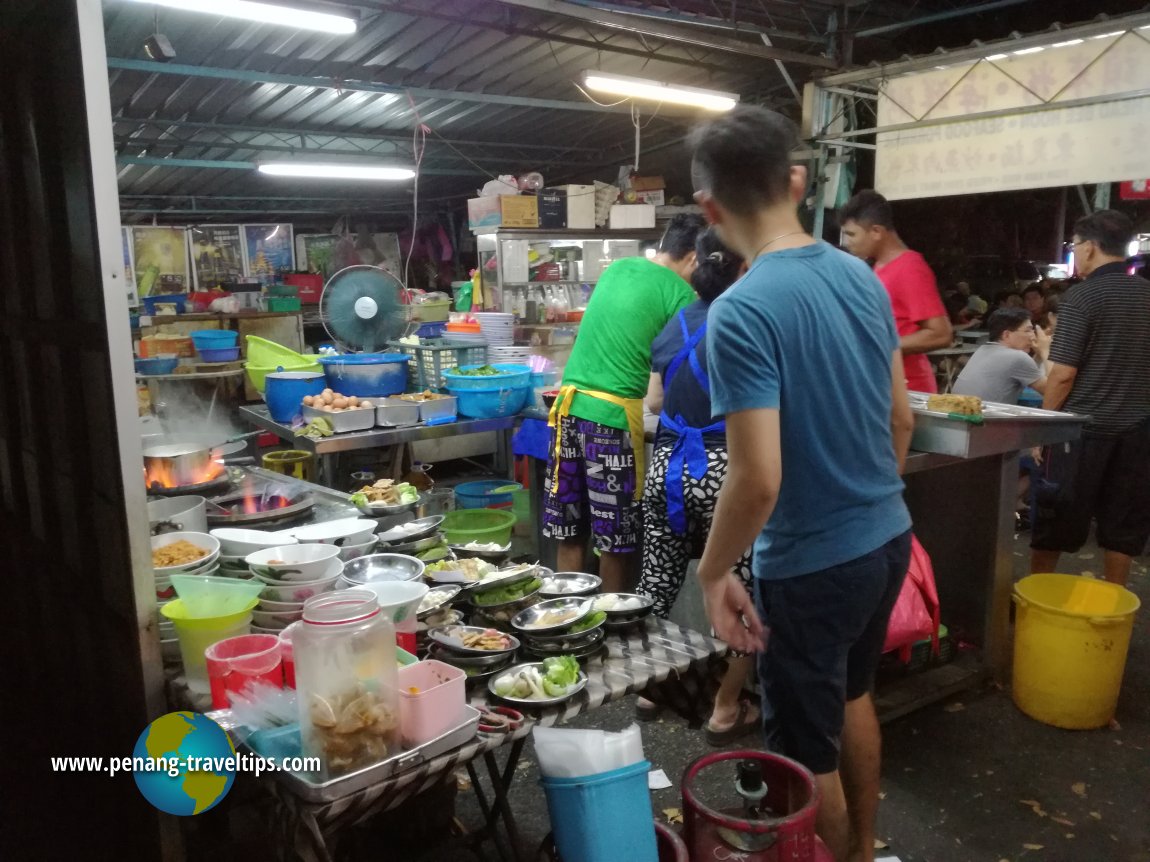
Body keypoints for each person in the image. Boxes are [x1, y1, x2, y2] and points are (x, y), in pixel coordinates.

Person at [689, 105, 914, 862]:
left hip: (813, 566)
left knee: (801, 756)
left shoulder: (742, 312)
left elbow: (757, 479)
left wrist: (715, 569)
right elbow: (901, 420)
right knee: (852, 697)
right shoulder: (862, 276)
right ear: (795, 180)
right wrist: (873, 502)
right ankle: (864, 849)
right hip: (886, 539)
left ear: (710, 210)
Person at [635, 228, 758, 744]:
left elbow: (657, 404)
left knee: (656, 587)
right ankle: (725, 709)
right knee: (741, 593)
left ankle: (647, 689)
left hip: (666, 470)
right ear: (741, 272)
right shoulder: (745, 324)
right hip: (723, 475)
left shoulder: (676, 322)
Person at [544, 214, 705, 592]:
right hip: (610, 419)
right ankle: (609, 629)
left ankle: (564, 618)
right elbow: (660, 394)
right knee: (615, 540)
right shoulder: (680, 296)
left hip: (568, 409)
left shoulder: (618, 269)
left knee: (572, 529)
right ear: (695, 258)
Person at [1031, 210, 1150, 587]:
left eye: (1076, 245)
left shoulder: (1084, 296)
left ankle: (1037, 596)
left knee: (1056, 517)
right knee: (1123, 525)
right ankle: (1112, 607)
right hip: (1139, 432)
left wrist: (1042, 430)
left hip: (1081, 433)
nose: (1075, 252)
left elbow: (1063, 373)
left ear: (1092, 247)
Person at [839, 190, 953, 393]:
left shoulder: (910, 267)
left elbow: (940, 334)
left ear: (876, 231)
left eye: (851, 234)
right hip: (878, 385)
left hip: (907, 389)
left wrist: (878, 347)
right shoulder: (878, 266)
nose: (846, 243)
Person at [952, 308, 1050, 404]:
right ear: (1006, 335)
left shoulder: (983, 349)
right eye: (1028, 331)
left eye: (1033, 330)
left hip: (961, 414)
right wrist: (1046, 350)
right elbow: (1052, 390)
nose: (1033, 336)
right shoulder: (1017, 357)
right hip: (984, 418)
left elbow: (1030, 373)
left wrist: (1039, 353)